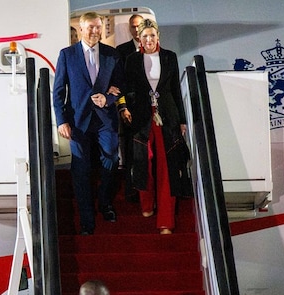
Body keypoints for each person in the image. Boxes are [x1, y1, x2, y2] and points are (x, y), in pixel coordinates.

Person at [53, 11, 125, 235]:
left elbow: (121, 87)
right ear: (81, 29)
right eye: (91, 27)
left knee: (111, 160)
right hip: (78, 122)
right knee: (81, 170)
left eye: (98, 27)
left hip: (105, 120)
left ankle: (105, 203)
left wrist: (108, 98)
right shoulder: (67, 55)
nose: (95, 31)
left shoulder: (112, 55)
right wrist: (61, 120)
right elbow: (57, 92)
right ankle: (87, 218)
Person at [120, 19, 189, 234]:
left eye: (152, 35)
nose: (149, 40)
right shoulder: (131, 60)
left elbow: (175, 89)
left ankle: (166, 221)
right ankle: (147, 203)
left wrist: (182, 120)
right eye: (145, 36)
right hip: (142, 119)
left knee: (167, 167)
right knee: (144, 163)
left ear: (158, 36)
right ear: (138, 38)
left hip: (167, 118)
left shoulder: (170, 57)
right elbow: (126, 88)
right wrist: (126, 107)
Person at [116, 13, 145, 203]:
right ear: (129, 28)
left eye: (139, 26)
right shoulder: (121, 50)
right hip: (129, 106)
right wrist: (122, 106)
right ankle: (131, 190)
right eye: (133, 26)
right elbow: (118, 81)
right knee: (129, 149)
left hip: (149, 107)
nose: (136, 29)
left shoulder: (154, 48)